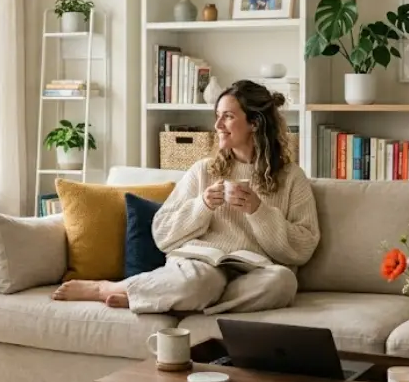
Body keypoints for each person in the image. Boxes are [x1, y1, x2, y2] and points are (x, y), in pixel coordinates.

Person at [52, 80, 320, 315]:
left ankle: (163, 299)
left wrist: (258, 211)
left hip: (254, 271)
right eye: (217, 116)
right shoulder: (204, 170)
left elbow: (303, 247)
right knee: (204, 282)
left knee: (284, 281)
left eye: (227, 116)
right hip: (201, 264)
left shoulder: (292, 177)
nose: (217, 125)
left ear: (255, 123)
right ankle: (108, 288)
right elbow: (163, 232)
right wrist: (202, 205)